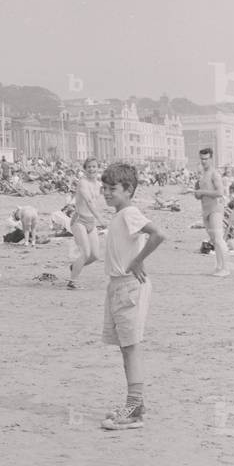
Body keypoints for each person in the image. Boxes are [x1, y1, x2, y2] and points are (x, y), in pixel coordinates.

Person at [97, 162, 166, 431]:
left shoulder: (129, 213)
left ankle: (135, 407)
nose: (106, 193)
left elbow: (158, 234)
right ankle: (135, 403)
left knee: (131, 345)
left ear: (128, 190)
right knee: (125, 345)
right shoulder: (119, 215)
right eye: (104, 188)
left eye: (112, 188)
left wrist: (138, 261)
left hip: (129, 285)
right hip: (117, 285)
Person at [67, 157, 107, 290]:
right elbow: (89, 201)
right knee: (85, 253)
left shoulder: (98, 184)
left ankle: (75, 267)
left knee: (95, 255)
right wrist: (101, 219)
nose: (91, 169)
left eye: (94, 166)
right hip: (79, 220)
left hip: (91, 221)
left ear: (98, 168)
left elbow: (100, 200)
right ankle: (72, 282)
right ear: (85, 169)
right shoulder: (83, 182)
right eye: (89, 167)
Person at [194, 148, 230, 277]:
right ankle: (219, 267)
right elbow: (199, 195)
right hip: (206, 209)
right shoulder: (202, 175)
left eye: (206, 159)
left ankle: (225, 268)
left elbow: (220, 192)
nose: (203, 161)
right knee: (214, 240)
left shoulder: (215, 174)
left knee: (219, 239)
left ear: (211, 159)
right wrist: (197, 193)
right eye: (202, 159)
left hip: (215, 208)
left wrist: (202, 192)